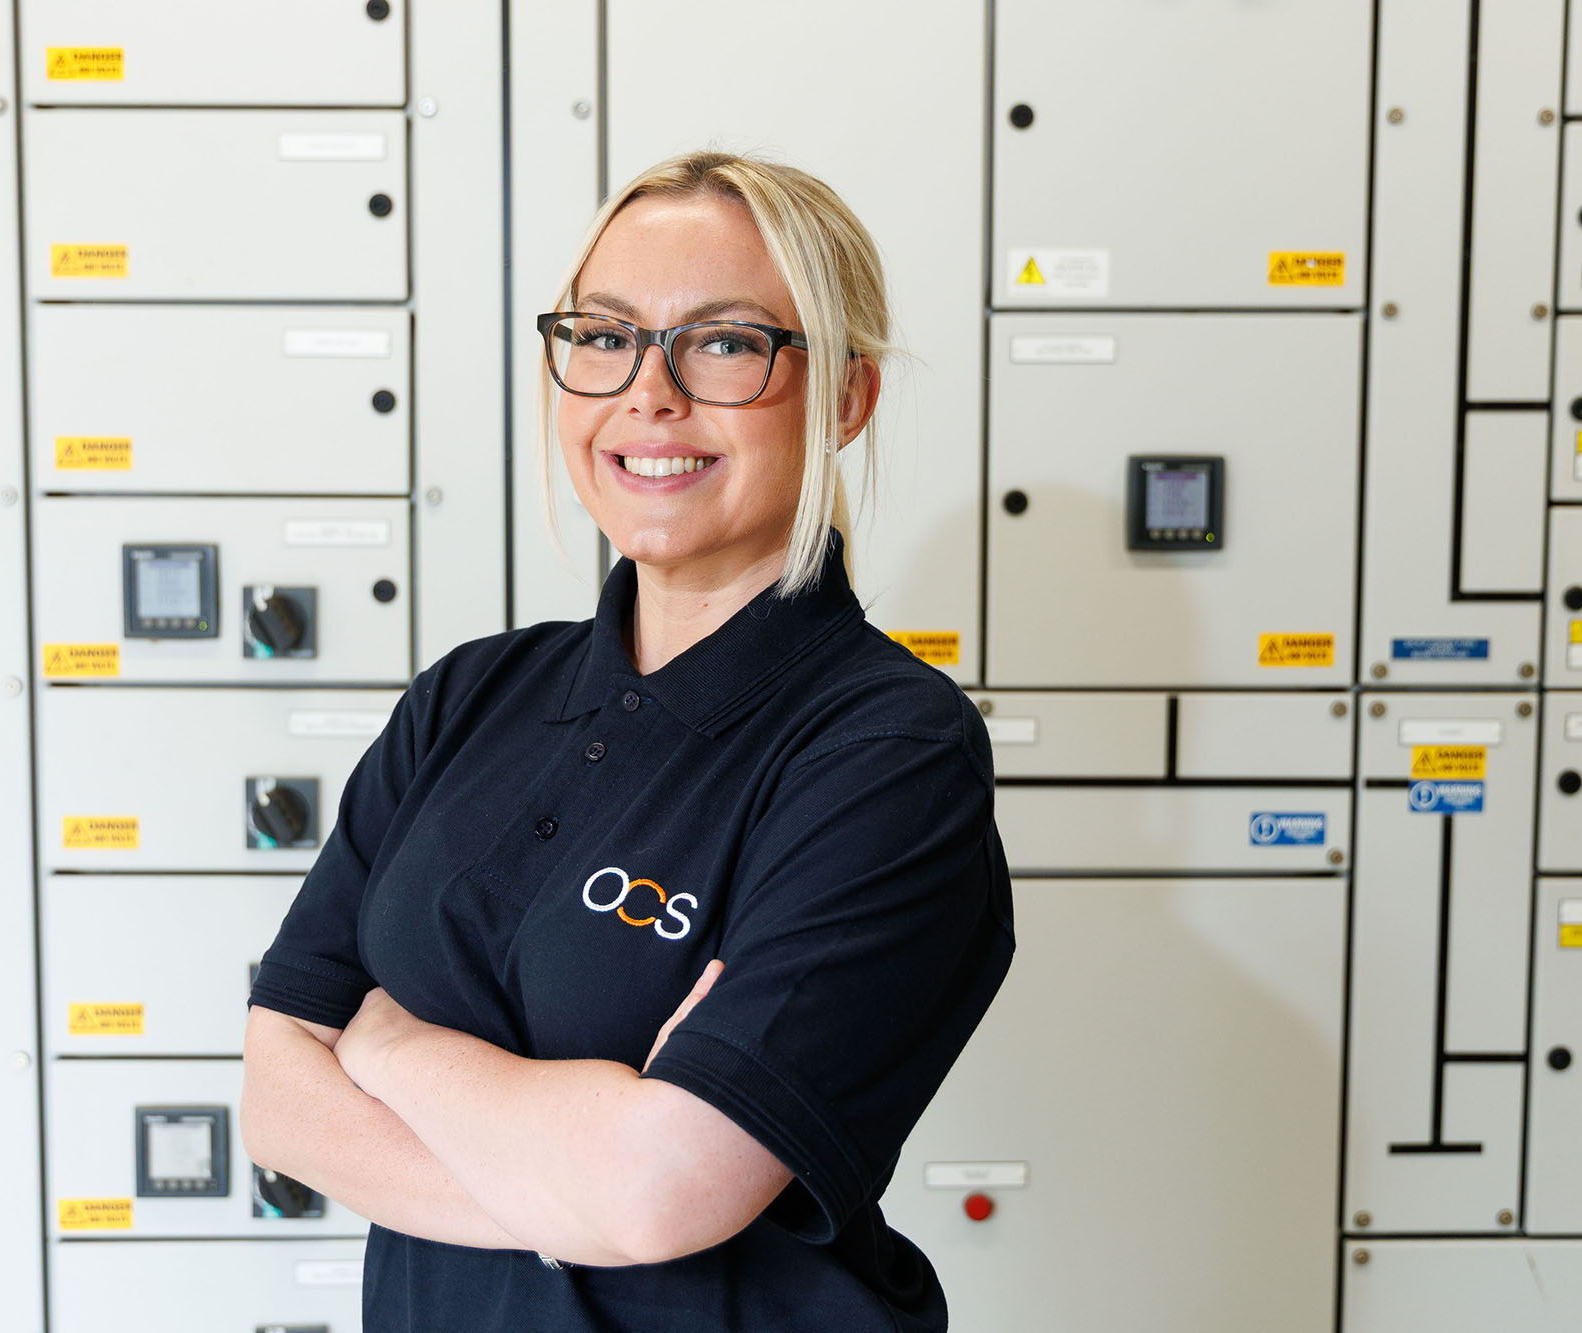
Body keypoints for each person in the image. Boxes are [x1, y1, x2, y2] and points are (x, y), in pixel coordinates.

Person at [241, 149, 1015, 1332]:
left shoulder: (886, 751)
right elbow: (279, 1099)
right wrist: (585, 1174)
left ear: (846, 396)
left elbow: (659, 1193)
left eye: (722, 343)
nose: (646, 395)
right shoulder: (468, 696)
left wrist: (388, 1046)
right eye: (603, 337)